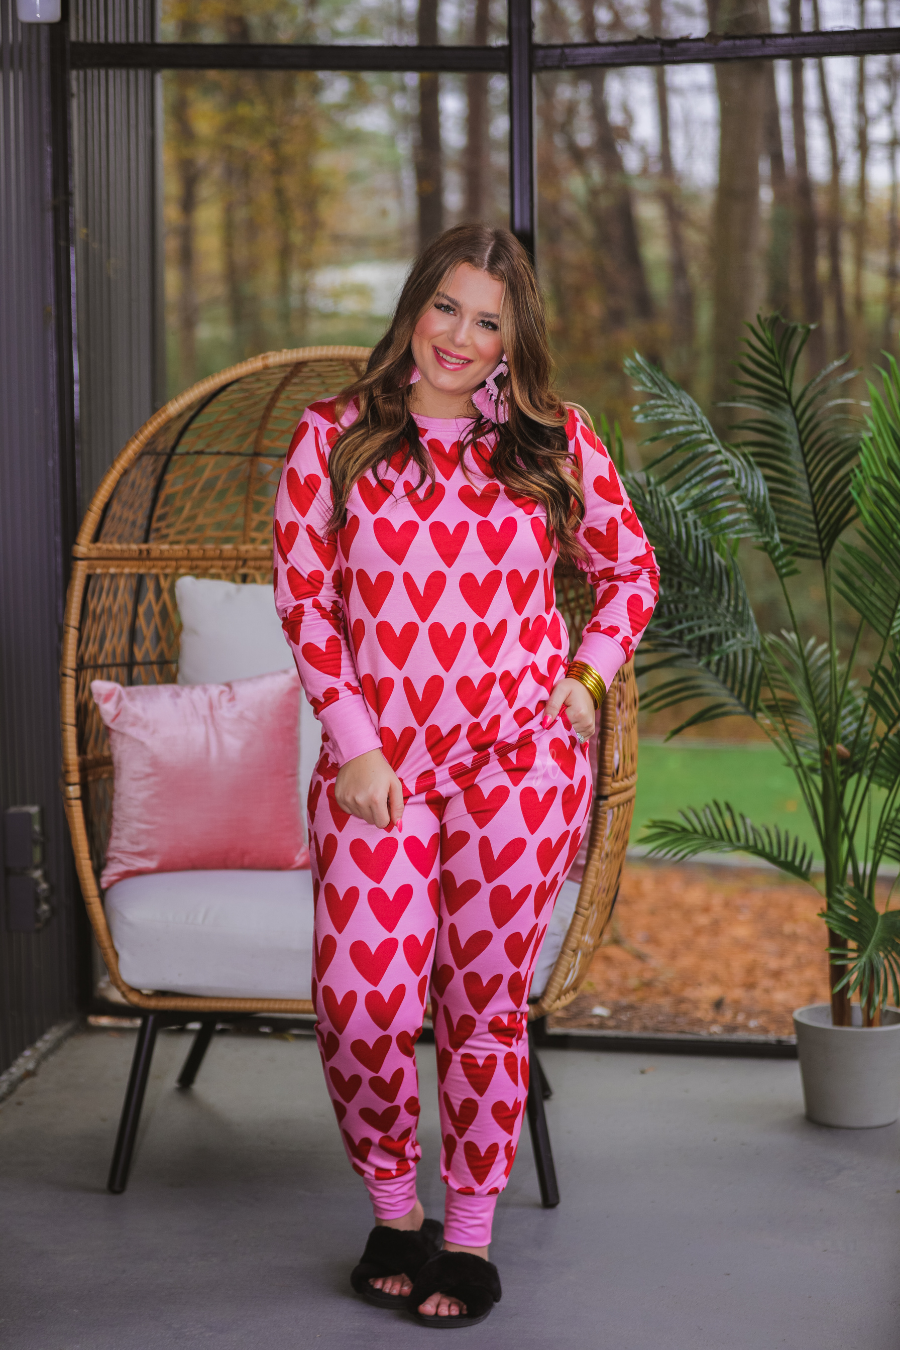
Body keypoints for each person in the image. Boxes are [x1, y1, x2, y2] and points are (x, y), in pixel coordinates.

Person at [273, 223, 658, 1327]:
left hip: (521, 766)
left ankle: (471, 1234)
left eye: (488, 320)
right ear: (415, 305)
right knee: (360, 1003)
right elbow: (308, 605)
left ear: (511, 339)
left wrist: (583, 684)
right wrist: (351, 743)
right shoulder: (333, 438)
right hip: (378, 769)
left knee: (484, 1007)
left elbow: (630, 571)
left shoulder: (552, 439)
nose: (460, 335)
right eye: (447, 307)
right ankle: (398, 1209)